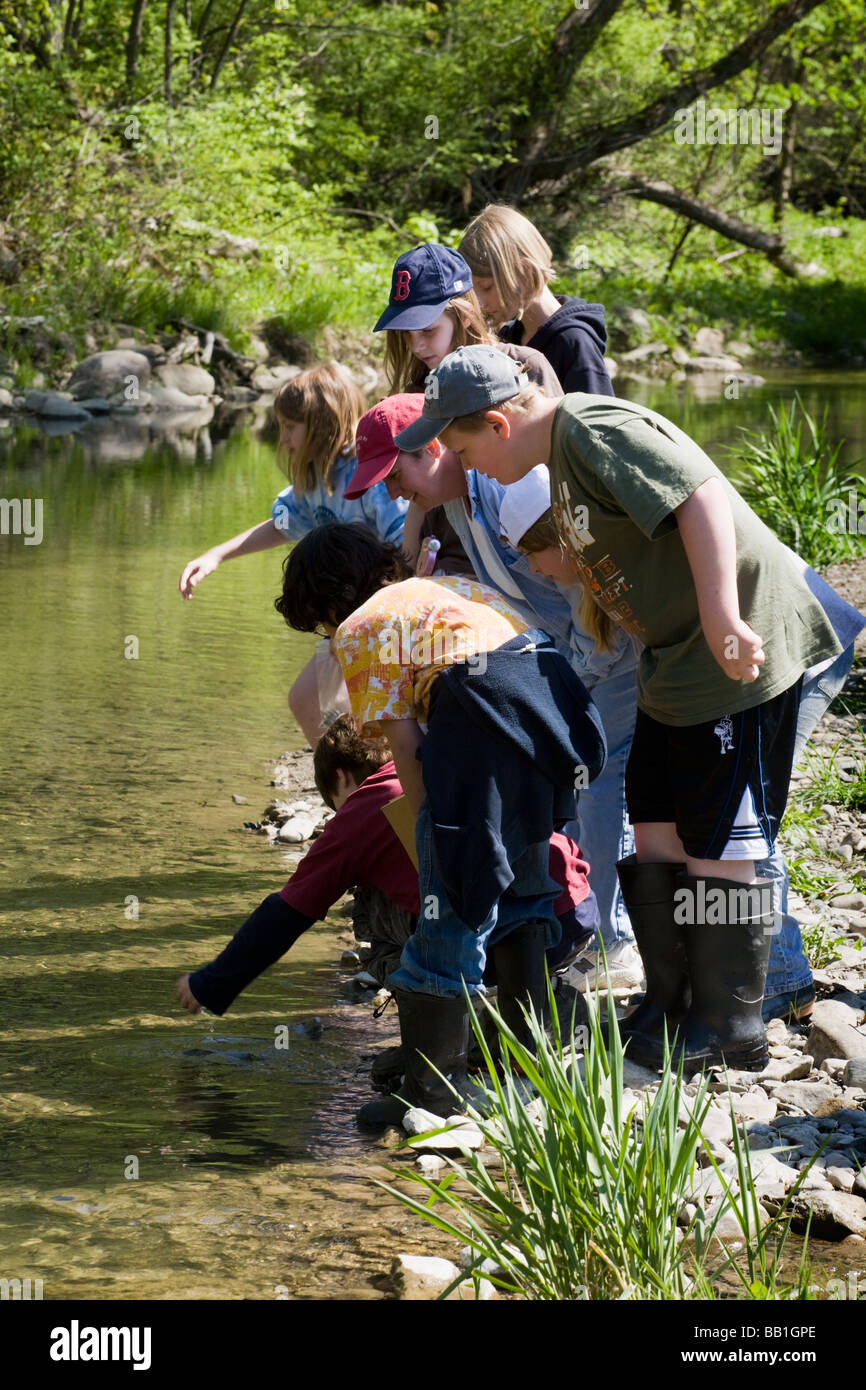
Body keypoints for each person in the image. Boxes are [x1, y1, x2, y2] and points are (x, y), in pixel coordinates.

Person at [393, 344, 846, 1073]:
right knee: (653, 821)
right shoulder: (556, 463)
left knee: (720, 839)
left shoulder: (593, 428)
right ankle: (669, 1001)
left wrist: (726, 618)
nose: (464, 465)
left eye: (463, 446)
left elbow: (699, 496)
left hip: (732, 651)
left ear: (500, 425)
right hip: (675, 661)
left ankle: (727, 1020)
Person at [499, 464, 865, 1025]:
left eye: (529, 552)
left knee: (739, 821)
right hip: (737, 660)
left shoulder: (620, 555)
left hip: (793, 648)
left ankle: (776, 981)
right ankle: (694, 989)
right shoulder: (594, 572)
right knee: (711, 819)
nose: (528, 569)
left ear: (561, 536)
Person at [272, 521, 607, 1124]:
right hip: (553, 706)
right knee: (527, 894)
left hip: (482, 712)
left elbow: (407, 750)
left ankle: (435, 1092)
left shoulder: (361, 626)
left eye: (321, 625)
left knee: (448, 909)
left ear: (329, 605)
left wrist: (434, 838)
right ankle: (527, 1068)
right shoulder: (448, 586)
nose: (329, 636)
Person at [345, 390, 643, 990]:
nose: (393, 492)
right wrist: (417, 512)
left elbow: (582, 574)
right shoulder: (454, 502)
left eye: (396, 475)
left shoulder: (509, 485)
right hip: (563, 658)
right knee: (568, 797)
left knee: (600, 788)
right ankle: (569, 938)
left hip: (607, 646)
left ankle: (616, 944)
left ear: (436, 447)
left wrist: (589, 660)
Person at [175, 715, 598, 1032]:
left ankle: (456, 1025)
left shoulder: (365, 804)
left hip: (510, 933)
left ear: (341, 776)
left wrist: (212, 982)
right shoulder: (436, 759)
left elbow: (289, 912)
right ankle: (529, 998)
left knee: (367, 901)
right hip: (573, 909)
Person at [178, 362, 408, 744]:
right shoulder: (316, 478)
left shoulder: (367, 475)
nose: (282, 437)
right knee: (305, 701)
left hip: (384, 620)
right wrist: (217, 555)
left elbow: (404, 549)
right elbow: (283, 524)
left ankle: (376, 787)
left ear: (321, 425)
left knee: (376, 711)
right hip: (343, 624)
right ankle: (347, 786)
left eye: (290, 427)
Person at [372, 242, 562, 577]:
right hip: (447, 564)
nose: (416, 346)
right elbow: (414, 498)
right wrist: (407, 567)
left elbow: (559, 470)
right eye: (406, 334)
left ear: (463, 315)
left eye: (428, 330)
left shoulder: (523, 365)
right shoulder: (420, 391)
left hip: (528, 565)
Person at [459, 204, 613, 396]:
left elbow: (597, 422)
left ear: (525, 272)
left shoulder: (574, 342)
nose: (480, 303)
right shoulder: (508, 336)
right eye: (475, 291)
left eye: (487, 287)